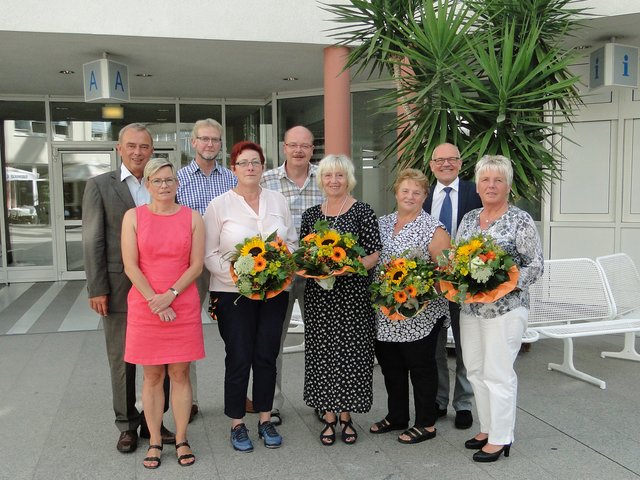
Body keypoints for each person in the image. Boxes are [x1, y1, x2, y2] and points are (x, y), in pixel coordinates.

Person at [83, 123, 175, 454]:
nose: (138, 152)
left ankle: (156, 421)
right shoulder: (99, 186)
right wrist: (97, 287)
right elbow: (93, 238)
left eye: (145, 146)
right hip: (120, 287)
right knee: (122, 359)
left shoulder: (160, 184)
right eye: (131, 146)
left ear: (152, 151)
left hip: (159, 288)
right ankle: (126, 424)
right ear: (119, 149)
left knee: (161, 357)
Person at [203, 141, 297, 453]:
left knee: (267, 355)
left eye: (255, 162)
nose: (250, 168)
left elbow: (292, 242)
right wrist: (236, 277)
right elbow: (209, 253)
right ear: (234, 169)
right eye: (243, 163)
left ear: (262, 166)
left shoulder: (277, 200)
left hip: (274, 293)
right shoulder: (219, 205)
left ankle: (266, 418)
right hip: (233, 296)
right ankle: (237, 423)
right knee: (240, 356)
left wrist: (284, 269)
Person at [456, 155, 543, 462]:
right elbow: (457, 261)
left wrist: (503, 282)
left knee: (499, 373)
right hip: (471, 310)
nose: (491, 185)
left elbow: (536, 264)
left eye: (498, 180)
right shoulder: (469, 219)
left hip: (506, 309)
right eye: (485, 180)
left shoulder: (520, 220)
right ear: (477, 186)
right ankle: (488, 428)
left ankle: (502, 437)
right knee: (477, 371)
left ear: (508, 185)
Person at [122, 158, 205, 468]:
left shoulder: (193, 217)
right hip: (145, 306)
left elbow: (196, 265)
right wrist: (154, 300)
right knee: (152, 376)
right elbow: (130, 265)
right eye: (157, 181)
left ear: (177, 183)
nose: (164, 186)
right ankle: (155, 439)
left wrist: (169, 296)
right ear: (147, 185)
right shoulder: (133, 217)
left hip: (181, 303)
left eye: (169, 180)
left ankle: (181, 437)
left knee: (180, 374)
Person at [300, 154, 381, 446]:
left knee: (351, 356)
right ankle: (329, 416)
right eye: (328, 175)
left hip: (354, 297)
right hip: (320, 298)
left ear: (349, 179)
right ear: (321, 180)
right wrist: (317, 268)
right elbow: (304, 254)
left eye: (340, 175)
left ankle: (346, 416)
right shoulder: (311, 215)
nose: (334, 181)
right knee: (323, 355)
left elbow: (374, 252)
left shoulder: (362, 211)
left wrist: (348, 267)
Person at [369, 168, 450, 444]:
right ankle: (397, 416)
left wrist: (418, 294)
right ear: (396, 192)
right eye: (405, 191)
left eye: (417, 192)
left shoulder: (434, 229)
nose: (410, 196)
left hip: (421, 313)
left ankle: (426, 423)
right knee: (391, 366)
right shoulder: (381, 223)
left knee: (421, 367)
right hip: (386, 313)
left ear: (425, 196)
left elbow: (445, 271)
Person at [259, 125, 324, 425]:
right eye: (293, 145)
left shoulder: (326, 178)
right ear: (284, 147)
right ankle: (271, 404)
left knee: (321, 338)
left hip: (317, 272)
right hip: (280, 271)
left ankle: (324, 399)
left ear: (312, 149)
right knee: (273, 339)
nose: (299, 150)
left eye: (305, 146)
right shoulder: (266, 180)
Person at [176, 118, 237, 422]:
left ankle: (243, 396)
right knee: (187, 330)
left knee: (239, 331)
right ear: (194, 142)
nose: (210, 144)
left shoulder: (232, 178)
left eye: (215, 140)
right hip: (192, 266)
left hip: (229, 266)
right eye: (205, 139)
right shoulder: (178, 179)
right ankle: (191, 400)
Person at [423, 142, 482, 430]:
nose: (445, 164)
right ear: (432, 165)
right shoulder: (423, 195)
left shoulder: (476, 192)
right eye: (439, 160)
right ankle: (438, 399)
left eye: (451, 159)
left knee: (465, 344)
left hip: (464, 283)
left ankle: (463, 403)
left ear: (460, 163)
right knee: (433, 345)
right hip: (430, 282)